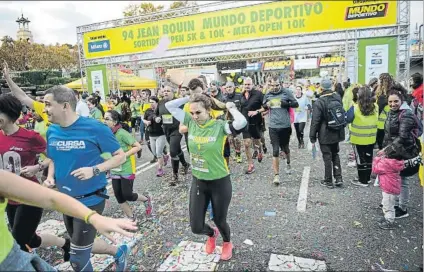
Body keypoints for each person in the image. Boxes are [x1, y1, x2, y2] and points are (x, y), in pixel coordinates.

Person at [43, 86, 130, 271]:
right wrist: (50, 177)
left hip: (90, 199)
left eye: (48, 104)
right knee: (81, 244)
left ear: (65, 105)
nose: (44, 109)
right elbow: (53, 159)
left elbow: (120, 156)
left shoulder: (95, 128)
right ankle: (118, 252)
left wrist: (95, 170)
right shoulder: (52, 131)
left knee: (77, 259)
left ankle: (116, 253)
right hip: (65, 200)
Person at [0, 170, 137, 271]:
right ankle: (67, 244)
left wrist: (93, 217)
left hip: (87, 200)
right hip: (70, 200)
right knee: (75, 246)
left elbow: (51, 198)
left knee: (78, 256)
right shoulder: (53, 133)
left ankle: (116, 251)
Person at [165, 93, 247, 261]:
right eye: (192, 113)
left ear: (208, 110)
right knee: (196, 226)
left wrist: (232, 108)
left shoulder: (219, 126)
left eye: (198, 113)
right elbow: (170, 106)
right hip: (199, 181)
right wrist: (189, 98)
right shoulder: (190, 122)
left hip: (219, 181)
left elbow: (242, 123)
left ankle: (227, 242)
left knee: (219, 219)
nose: (194, 116)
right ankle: (211, 234)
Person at [0, 94, 71, 261]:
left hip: (30, 196)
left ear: (10, 115)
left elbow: (53, 156)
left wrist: (37, 167)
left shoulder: (30, 137)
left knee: (18, 242)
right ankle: (65, 244)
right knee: (30, 239)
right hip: (9, 198)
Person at [378, 85, 422, 221]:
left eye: (395, 101)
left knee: (403, 180)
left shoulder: (406, 114)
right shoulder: (393, 112)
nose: (392, 104)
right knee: (396, 179)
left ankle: (403, 208)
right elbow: (389, 135)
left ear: (401, 100)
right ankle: (396, 204)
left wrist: (386, 150)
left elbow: (402, 137)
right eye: (390, 101)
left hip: (405, 153)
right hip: (395, 152)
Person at [103, 110, 152, 219]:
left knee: (127, 195)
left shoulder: (122, 133)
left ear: (115, 121)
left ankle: (146, 199)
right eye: (104, 118)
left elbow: (137, 146)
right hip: (115, 169)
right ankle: (131, 217)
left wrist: (123, 155)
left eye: (107, 119)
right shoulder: (106, 134)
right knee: (118, 196)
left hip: (126, 168)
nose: (104, 121)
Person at [261, 76, 299, 185]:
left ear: (280, 84)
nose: (275, 87)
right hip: (273, 126)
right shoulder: (267, 94)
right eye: (272, 85)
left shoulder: (286, 92)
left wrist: (286, 104)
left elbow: (295, 104)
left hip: (285, 126)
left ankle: (288, 163)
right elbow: (264, 106)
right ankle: (276, 175)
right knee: (275, 150)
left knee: (285, 148)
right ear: (270, 85)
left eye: (277, 85)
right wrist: (266, 105)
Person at [309, 79, 345, 188]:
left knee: (327, 156)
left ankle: (328, 180)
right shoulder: (338, 97)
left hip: (325, 133)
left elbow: (315, 120)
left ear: (321, 88)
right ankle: (338, 177)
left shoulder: (320, 101)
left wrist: (312, 136)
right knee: (335, 154)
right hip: (337, 130)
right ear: (331, 87)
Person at [156, 84, 190, 185]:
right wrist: (156, 118)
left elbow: (187, 111)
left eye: (168, 91)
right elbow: (156, 113)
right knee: (177, 149)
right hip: (166, 130)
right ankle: (185, 164)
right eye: (164, 91)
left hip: (177, 130)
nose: (165, 92)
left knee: (173, 151)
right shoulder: (161, 102)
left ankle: (175, 176)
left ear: (173, 93)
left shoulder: (178, 102)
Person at [346, 86, 379, 186]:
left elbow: (348, 119)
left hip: (358, 138)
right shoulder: (376, 106)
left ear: (358, 95)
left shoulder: (355, 107)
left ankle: (362, 180)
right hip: (371, 137)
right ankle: (367, 178)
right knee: (369, 158)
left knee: (360, 159)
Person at [240, 77, 264, 174]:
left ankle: (259, 151)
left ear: (252, 84)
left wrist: (256, 111)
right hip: (245, 123)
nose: (247, 86)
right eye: (245, 84)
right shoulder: (241, 95)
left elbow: (266, 106)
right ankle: (250, 165)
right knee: (246, 144)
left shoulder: (258, 94)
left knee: (257, 141)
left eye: (249, 84)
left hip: (256, 122)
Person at [144, 96, 169, 177]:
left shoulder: (161, 111)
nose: (151, 104)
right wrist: (146, 122)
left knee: (158, 153)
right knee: (155, 153)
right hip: (151, 135)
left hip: (160, 134)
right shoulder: (148, 111)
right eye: (150, 102)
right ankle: (165, 156)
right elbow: (143, 118)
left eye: (153, 102)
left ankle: (160, 169)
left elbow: (167, 119)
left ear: (157, 103)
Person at [223, 81, 243, 163]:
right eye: (227, 87)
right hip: (229, 121)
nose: (229, 88)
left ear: (234, 87)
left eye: (230, 87)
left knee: (237, 139)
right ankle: (235, 151)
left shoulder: (239, 96)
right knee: (231, 139)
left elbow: (243, 107)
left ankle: (238, 154)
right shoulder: (224, 98)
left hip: (238, 121)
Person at [375, 73, 395, 150]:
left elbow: (378, 108)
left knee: (383, 144)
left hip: (383, 123)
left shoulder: (382, 95)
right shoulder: (395, 93)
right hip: (389, 122)